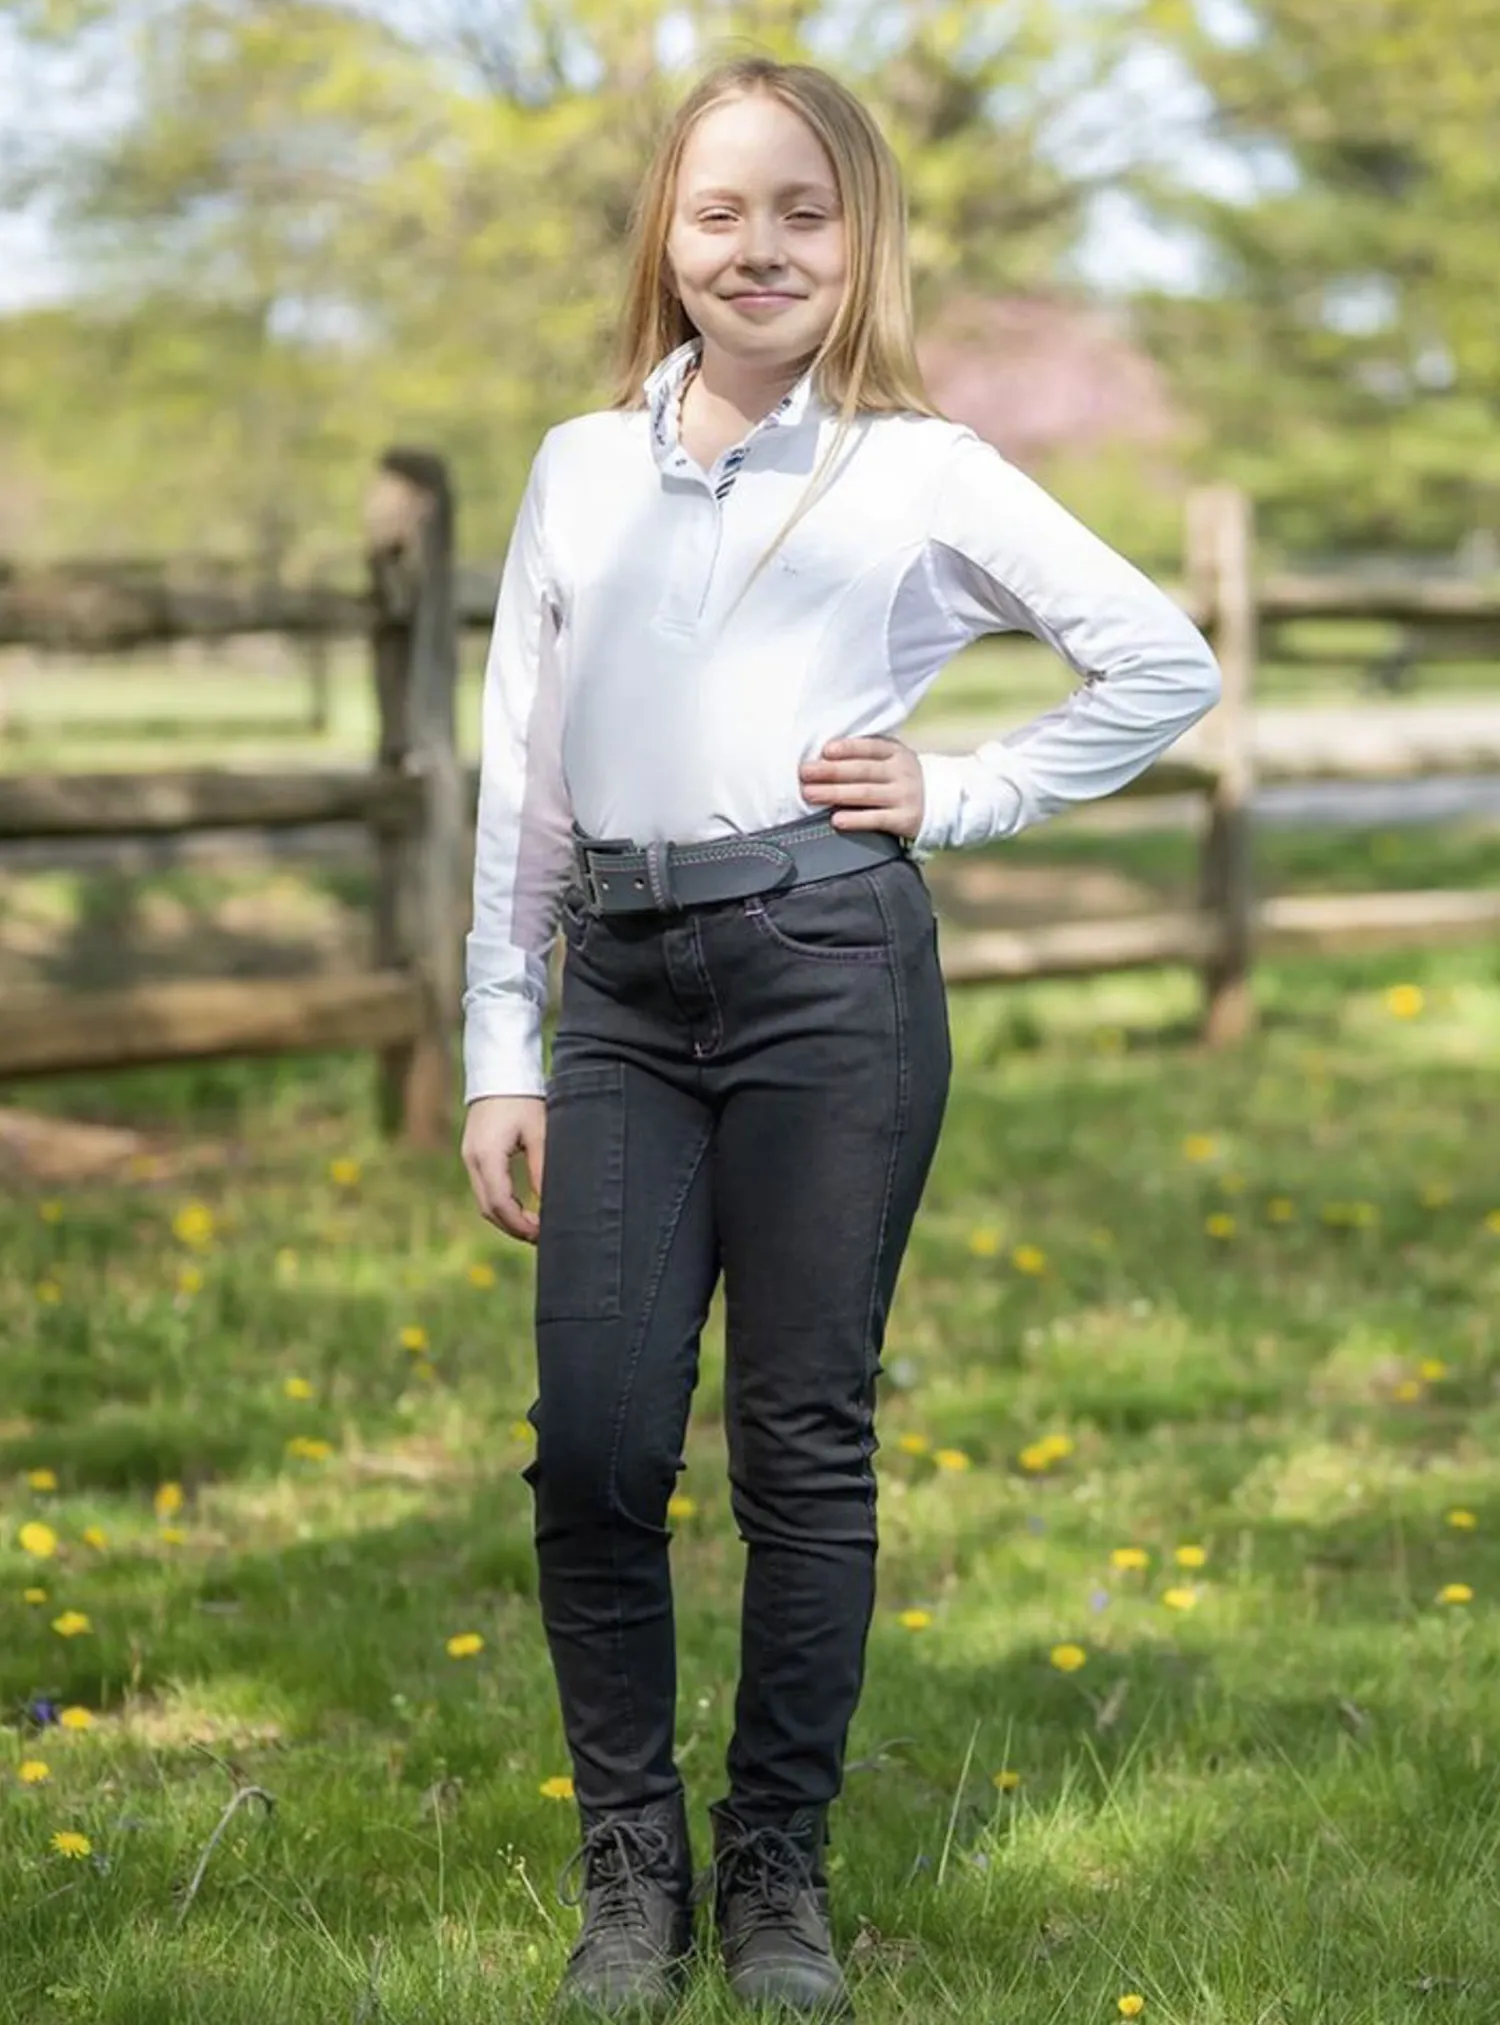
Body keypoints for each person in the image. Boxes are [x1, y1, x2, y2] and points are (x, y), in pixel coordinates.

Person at [459, 53, 1222, 2022]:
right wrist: (501, 1042)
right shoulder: (577, 468)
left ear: (861, 235)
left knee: (802, 1441)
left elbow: (1161, 661)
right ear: (666, 235)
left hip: (828, 971)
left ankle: (776, 1866)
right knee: (599, 1441)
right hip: (625, 995)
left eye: (804, 211)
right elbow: (524, 773)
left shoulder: (917, 468)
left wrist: (958, 789)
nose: (760, 247)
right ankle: (632, 1870)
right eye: (720, 210)